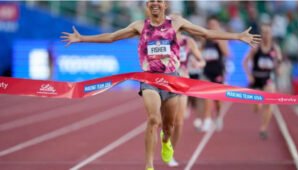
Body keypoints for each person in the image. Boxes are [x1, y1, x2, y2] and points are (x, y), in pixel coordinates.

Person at [61, 0, 261, 169]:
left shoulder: (176, 23)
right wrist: (82, 38)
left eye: (159, 0)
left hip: (172, 80)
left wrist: (237, 36)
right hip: (149, 80)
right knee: (153, 119)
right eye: (151, 1)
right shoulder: (140, 26)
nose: (155, 3)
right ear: (148, 5)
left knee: (169, 126)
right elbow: (112, 37)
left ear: (165, 5)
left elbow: (206, 33)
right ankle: (149, 165)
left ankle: (166, 142)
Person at [169, 33, 205, 167]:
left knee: (179, 122)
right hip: (166, 82)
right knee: (164, 121)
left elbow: (202, 60)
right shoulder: (162, 39)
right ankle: (165, 137)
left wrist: (198, 63)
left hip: (183, 82)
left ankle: (171, 152)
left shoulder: (188, 41)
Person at [243, 23, 282, 139]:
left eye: (268, 32)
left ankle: (263, 128)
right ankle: (257, 105)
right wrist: (249, 75)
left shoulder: (275, 48)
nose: (266, 35)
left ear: (271, 34)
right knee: (256, 107)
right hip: (256, 78)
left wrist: (278, 68)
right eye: (264, 32)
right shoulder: (256, 48)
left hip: (268, 77)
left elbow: (279, 61)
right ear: (261, 34)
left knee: (269, 102)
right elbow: (245, 62)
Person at [194, 16, 229, 132]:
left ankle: (218, 116)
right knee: (207, 96)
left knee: (217, 100)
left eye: (214, 25)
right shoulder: (205, 38)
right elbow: (200, 50)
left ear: (218, 26)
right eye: (210, 25)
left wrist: (218, 41)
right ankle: (207, 120)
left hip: (218, 71)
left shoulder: (221, 38)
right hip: (206, 71)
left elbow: (227, 53)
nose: (212, 27)